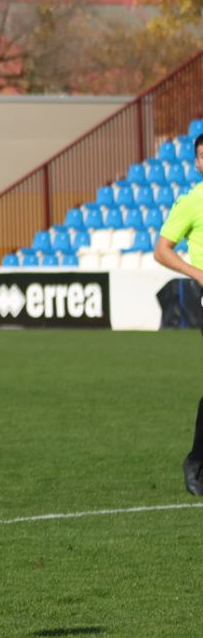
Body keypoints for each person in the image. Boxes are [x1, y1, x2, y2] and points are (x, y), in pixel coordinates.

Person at [154, 132, 203, 495]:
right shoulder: (190, 203)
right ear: (197, 163)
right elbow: (162, 250)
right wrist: (197, 273)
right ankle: (196, 462)